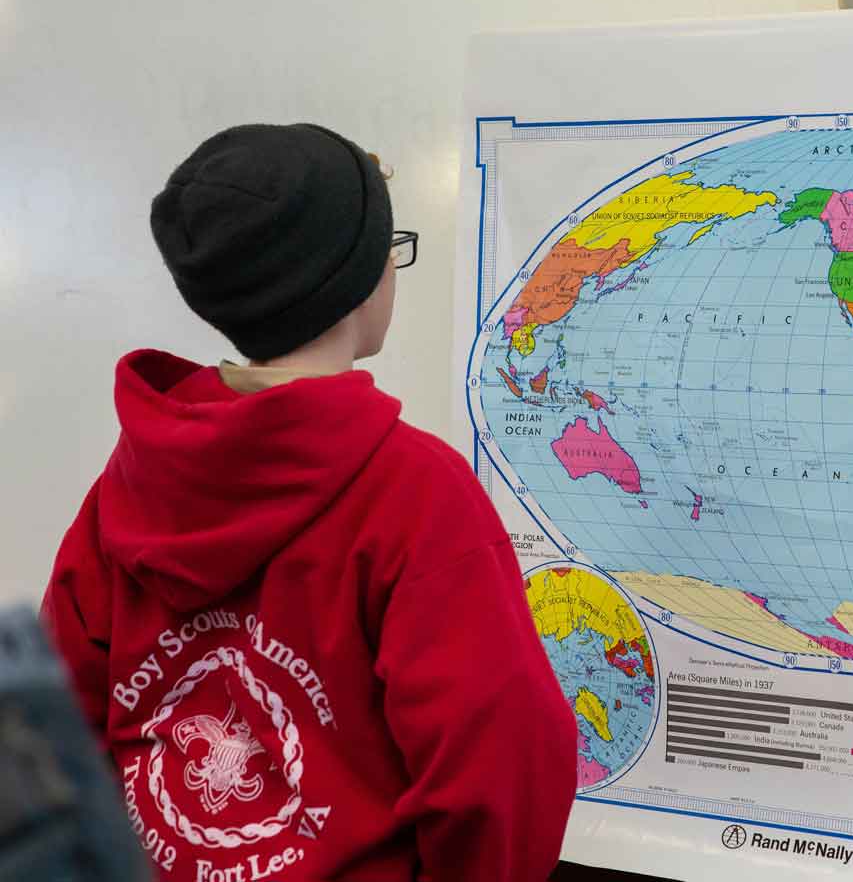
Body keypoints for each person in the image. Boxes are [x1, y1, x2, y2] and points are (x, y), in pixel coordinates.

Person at [40, 124, 578, 882]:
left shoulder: (129, 482)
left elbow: (58, 733)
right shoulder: (419, 495)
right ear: (357, 277)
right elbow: (502, 771)